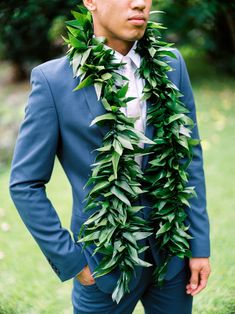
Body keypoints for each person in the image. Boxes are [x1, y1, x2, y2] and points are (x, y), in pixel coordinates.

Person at [9, 0, 211, 313]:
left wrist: (198, 246)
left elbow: (189, 159)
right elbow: (25, 183)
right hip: (102, 266)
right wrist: (73, 262)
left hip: (173, 256)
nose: (140, 3)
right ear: (90, 2)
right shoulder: (53, 81)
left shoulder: (172, 63)